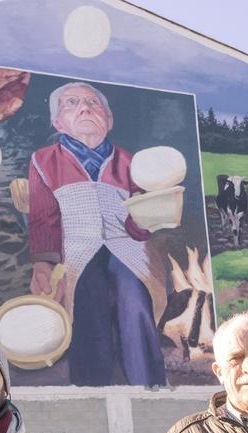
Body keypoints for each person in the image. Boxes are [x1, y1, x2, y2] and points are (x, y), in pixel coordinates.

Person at [28, 81, 166, 387]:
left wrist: (145, 218)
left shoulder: (130, 162)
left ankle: (149, 386)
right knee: (87, 303)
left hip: (126, 247)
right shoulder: (44, 160)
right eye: (72, 103)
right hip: (75, 249)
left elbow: (139, 223)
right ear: (57, 122)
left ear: (109, 120)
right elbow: (43, 218)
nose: (85, 108)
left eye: (93, 103)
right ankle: (91, 389)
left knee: (135, 296)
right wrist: (43, 263)